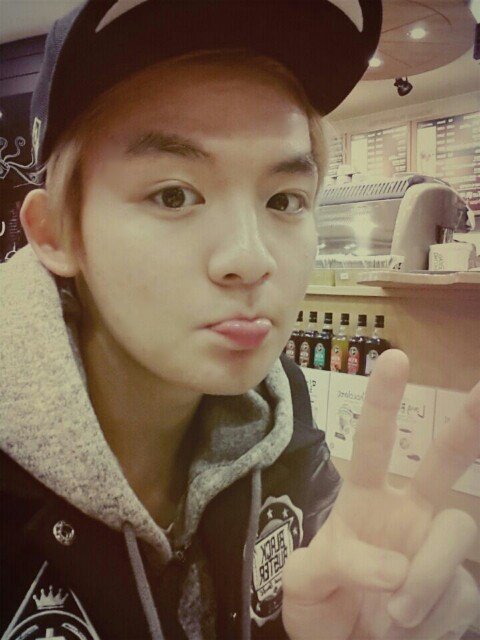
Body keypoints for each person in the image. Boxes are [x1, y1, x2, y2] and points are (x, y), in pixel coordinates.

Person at [1, 1, 479, 639]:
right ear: (56, 233)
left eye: (284, 199)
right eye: (174, 195)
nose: (252, 260)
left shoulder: (278, 410)